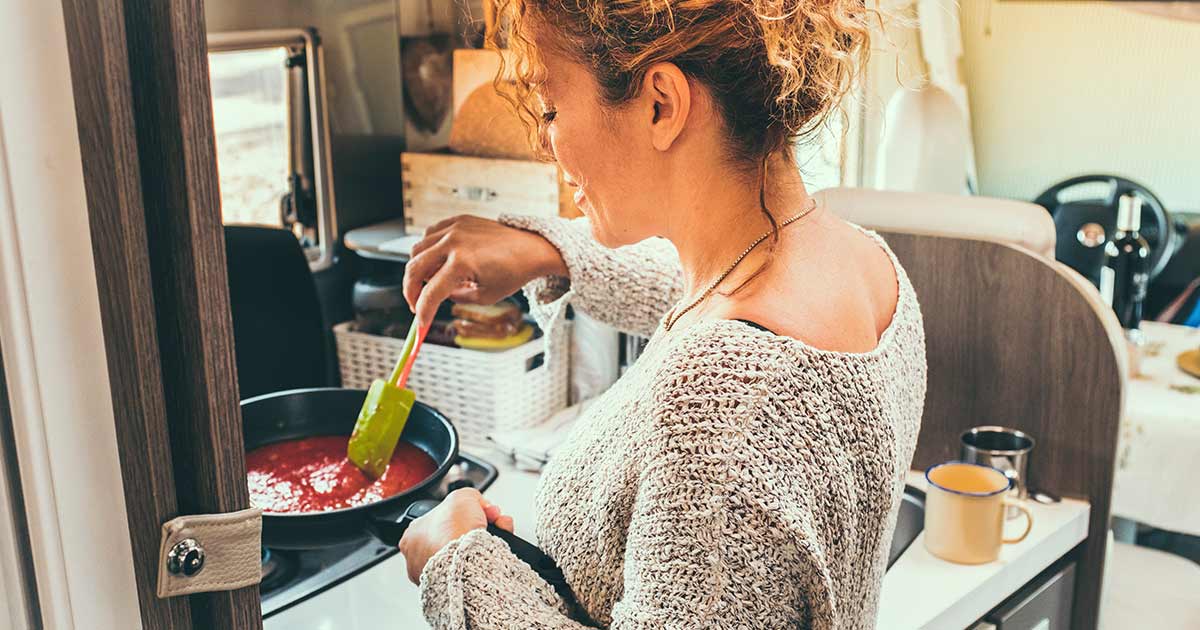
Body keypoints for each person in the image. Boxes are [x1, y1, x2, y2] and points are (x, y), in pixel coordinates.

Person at [398, 0, 927, 626]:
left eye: (552, 107)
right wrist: (554, 250)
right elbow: (699, 294)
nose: (547, 143)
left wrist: (459, 562)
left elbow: (734, 379)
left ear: (661, 105)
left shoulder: (722, 397)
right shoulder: (868, 267)